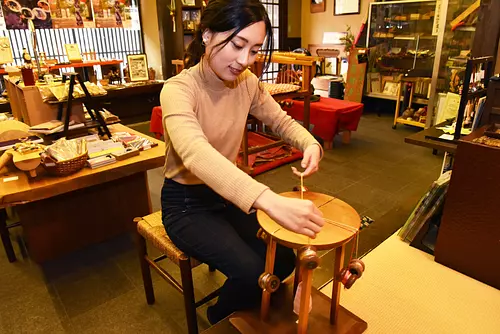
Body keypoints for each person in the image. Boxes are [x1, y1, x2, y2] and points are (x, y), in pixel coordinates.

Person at [160, 0, 325, 325]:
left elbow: (281, 121)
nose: (244, 60)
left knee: (283, 264)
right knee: (253, 272)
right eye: (237, 45)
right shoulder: (179, 89)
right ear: (206, 34)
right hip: (185, 205)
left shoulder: (247, 82)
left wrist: (310, 143)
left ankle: (249, 307)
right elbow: (195, 152)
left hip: (225, 196)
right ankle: (219, 318)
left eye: (254, 50)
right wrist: (268, 200)